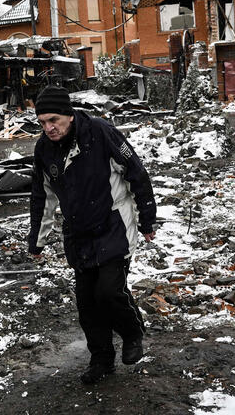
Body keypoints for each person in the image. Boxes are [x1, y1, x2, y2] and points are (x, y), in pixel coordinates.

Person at [27, 85, 157, 385]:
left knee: (109, 291)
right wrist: (37, 240)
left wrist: (147, 220)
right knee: (87, 303)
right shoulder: (44, 150)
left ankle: (132, 333)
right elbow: (41, 197)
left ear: (69, 116)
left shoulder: (99, 133)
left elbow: (136, 172)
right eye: (43, 122)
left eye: (54, 120)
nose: (49, 128)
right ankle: (101, 359)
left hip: (114, 225)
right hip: (78, 233)